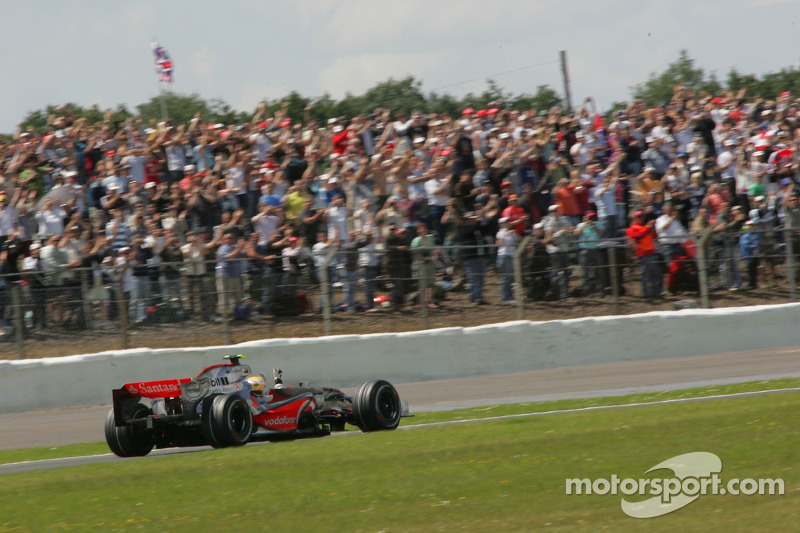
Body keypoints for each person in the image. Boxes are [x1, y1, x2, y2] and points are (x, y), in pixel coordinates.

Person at [626, 210, 661, 299]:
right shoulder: (633, 228)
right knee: (646, 275)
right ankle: (646, 294)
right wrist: (648, 227)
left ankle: (656, 293)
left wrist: (653, 228)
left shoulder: (646, 227)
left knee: (656, 274)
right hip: (643, 254)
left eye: (641, 216)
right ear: (634, 218)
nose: (640, 218)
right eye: (638, 217)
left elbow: (655, 236)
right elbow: (638, 235)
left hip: (651, 253)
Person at [215, 232, 247, 317]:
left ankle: (238, 314)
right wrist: (239, 248)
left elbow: (245, 254)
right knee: (224, 296)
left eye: (232, 237)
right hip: (225, 275)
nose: (231, 239)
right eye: (228, 238)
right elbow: (229, 257)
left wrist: (247, 245)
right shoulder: (223, 248)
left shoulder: (234, 247)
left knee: (238, 296)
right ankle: (224, 317)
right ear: (224, 240)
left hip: (235, 275)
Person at [574, 212, 605, 296]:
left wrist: (593, 226)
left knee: (599, 271)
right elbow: (576, 233)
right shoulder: (580, 225)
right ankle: (587, 290)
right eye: (589, 218)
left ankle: (600, 290)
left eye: (592, 217)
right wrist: (585, 225)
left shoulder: (598, 224)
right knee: (585, 271)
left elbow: (601, 233)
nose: (591, 219)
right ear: (585, 218)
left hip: (596, 249)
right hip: (584, 250)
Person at [410, 222, 439, 309]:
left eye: (423, 228)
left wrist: (434, 254)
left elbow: (434, 248)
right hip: (421, 263)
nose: (422, 230)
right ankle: (421, 302)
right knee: (422, 283)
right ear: (418, 231)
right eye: (420, 229)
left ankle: (430, 301)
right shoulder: (416, 240)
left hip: (430, 262)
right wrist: (420, 250)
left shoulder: (430, 238)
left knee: (431, 283)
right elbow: (413, 252)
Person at [495, 217, 518, 303]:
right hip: (504, 255)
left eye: (508, 222)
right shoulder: (500, 233)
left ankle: (509, 296)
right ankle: (506, 297)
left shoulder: (512, 233)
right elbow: (498, 243)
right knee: (506, 277)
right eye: (505, 222)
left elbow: (516, 242)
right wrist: (507, 234)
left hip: (511, 256)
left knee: (509, 277)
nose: (507, 223)